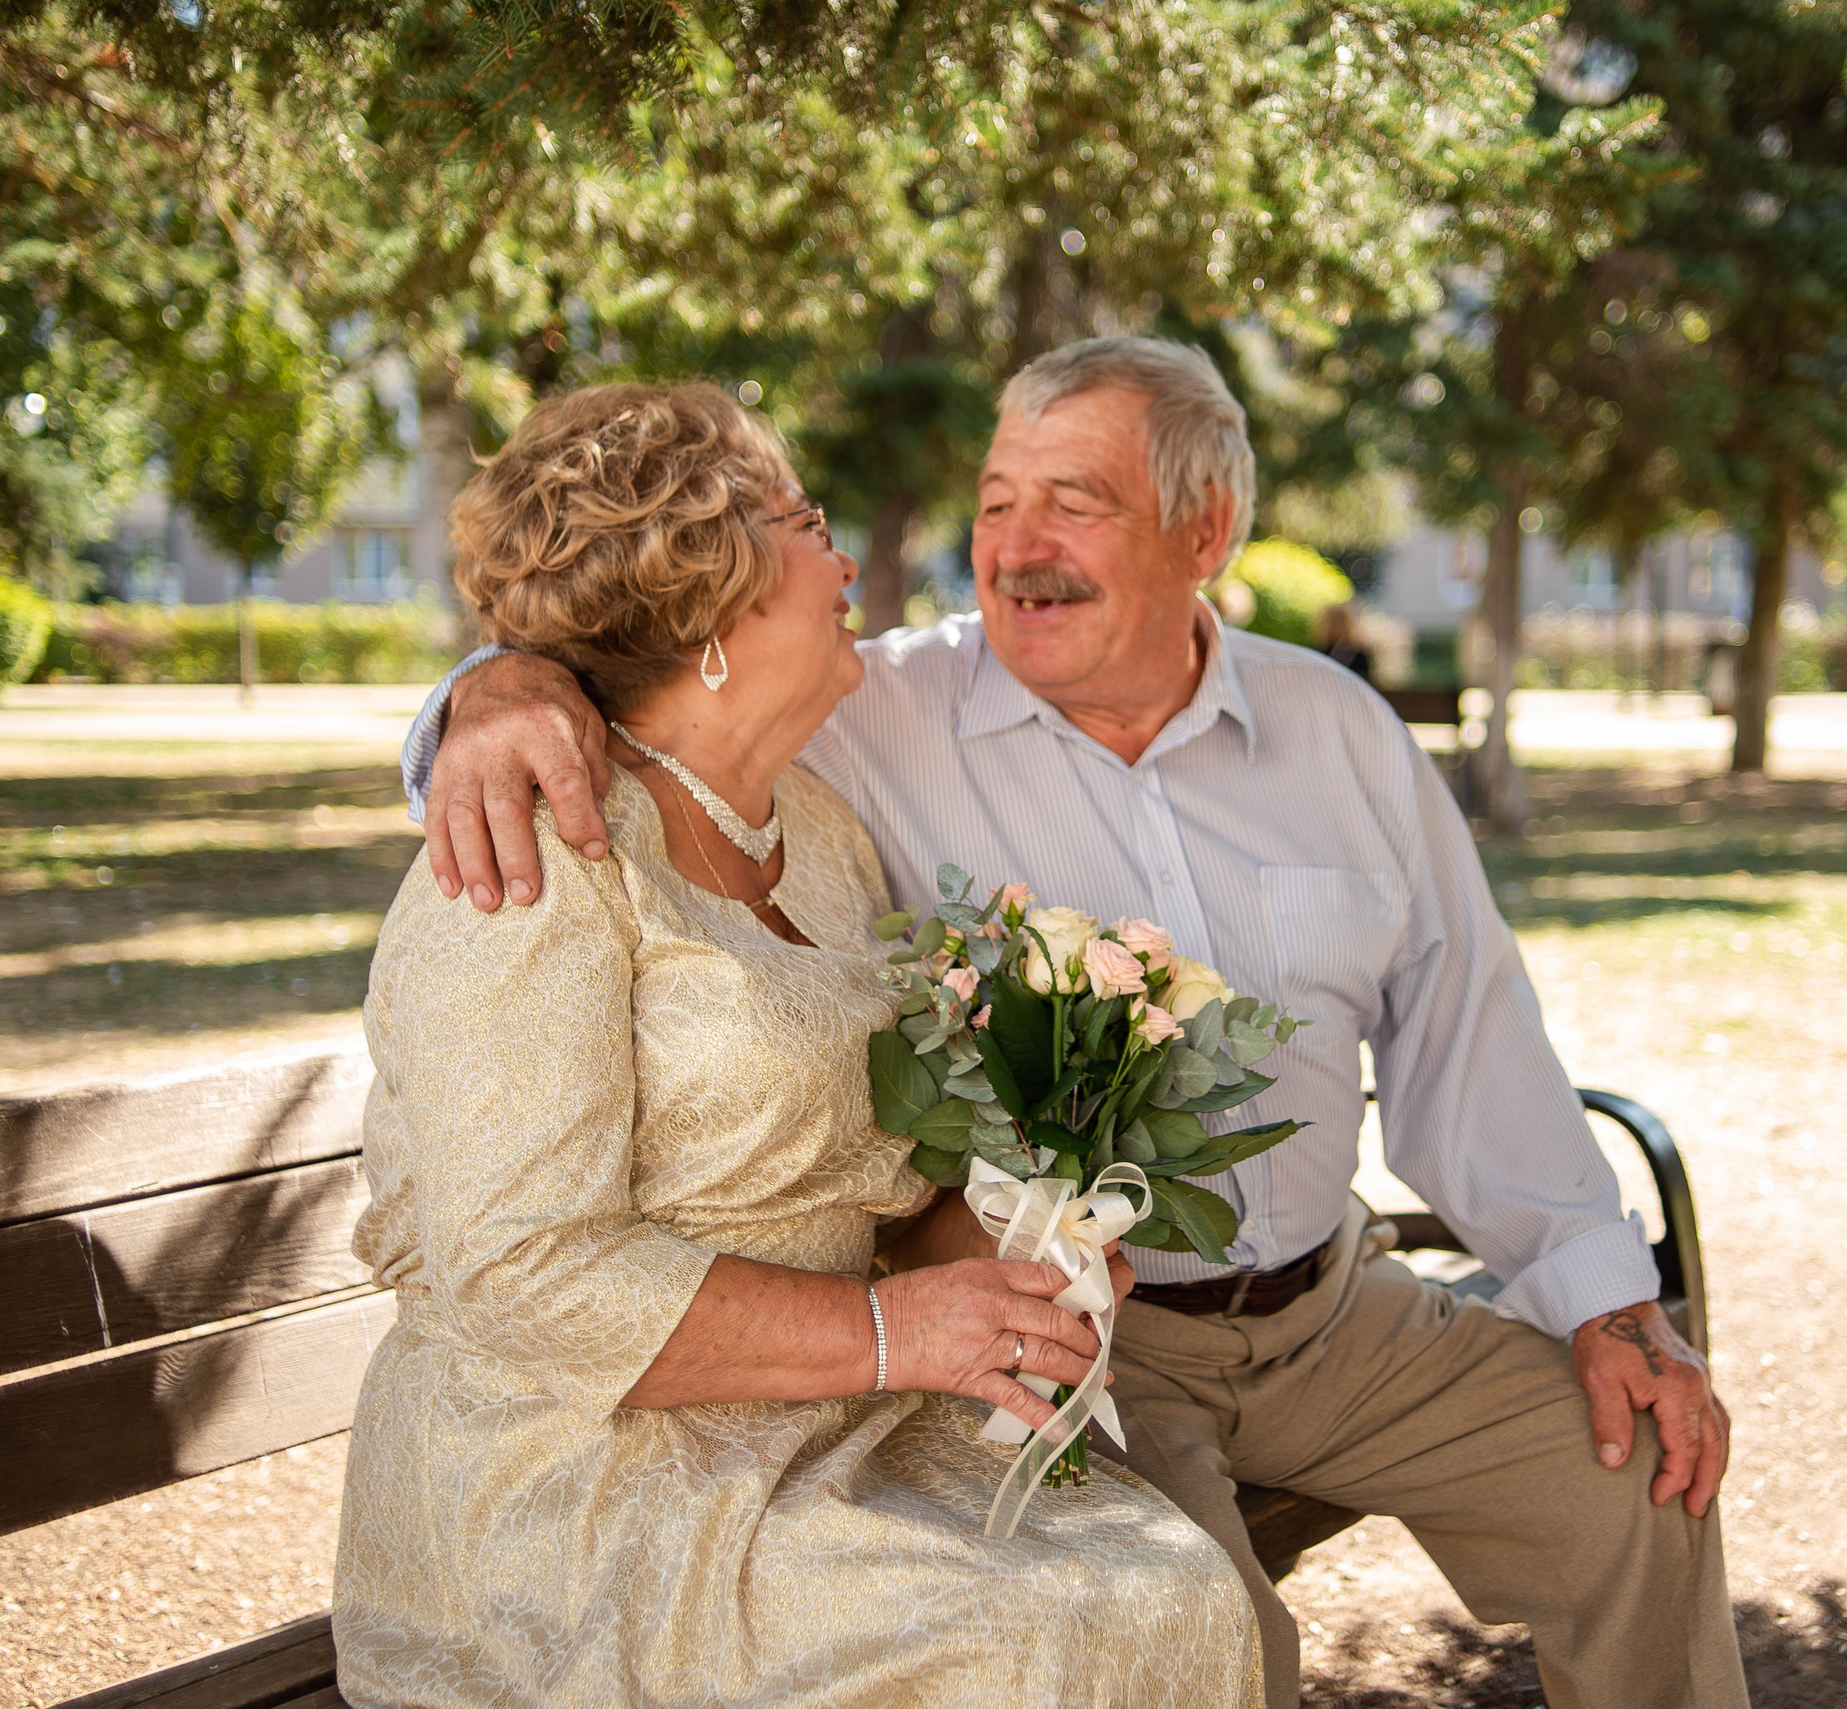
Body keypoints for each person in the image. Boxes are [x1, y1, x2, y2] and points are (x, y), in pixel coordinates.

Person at [401, 339, 1745, 1709]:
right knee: (1209, 1633)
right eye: (995, 500)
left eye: (1073, 500)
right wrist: (496, 687)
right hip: (1097, 1344)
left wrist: (1608, 1298)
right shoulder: (875, 719)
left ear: (1206, 530)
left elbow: (1469, 1038)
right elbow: (643, 669)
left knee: (1636, 1478)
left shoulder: (1336, 732)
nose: (1013, 546)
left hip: (1334, 1309)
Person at [335, 380, 1264, 1709]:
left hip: (820, 1440)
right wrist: (891, 1331)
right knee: (1047, 1631)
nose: (847, 559)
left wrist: (1019, 1243)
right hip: (576, 1498)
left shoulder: (819, 832)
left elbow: (853, 1191)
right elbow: (522, 1273)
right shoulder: (535, 849)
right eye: (807, 520)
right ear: (712, 595)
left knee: (1168, 1588)